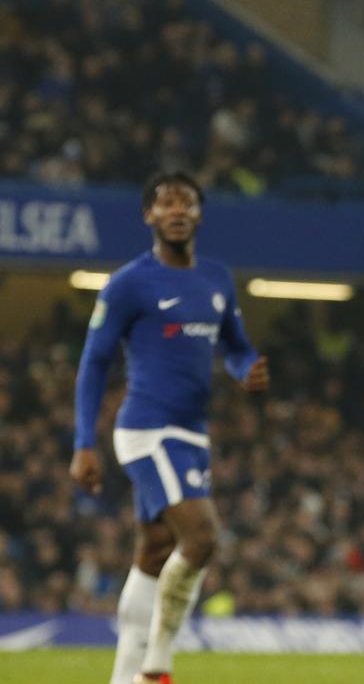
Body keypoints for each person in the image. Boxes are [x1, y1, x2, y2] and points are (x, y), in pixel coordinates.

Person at [70, 172, 270, 684]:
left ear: (199, 215)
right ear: (149, 216)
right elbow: (94, 362)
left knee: (156, 551)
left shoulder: (217, 278)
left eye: (187, 203)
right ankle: (156, 665)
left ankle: (123, 675)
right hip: (146, 429)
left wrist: (244, 368)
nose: (177, 210)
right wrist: (83, 444)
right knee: (202, 538)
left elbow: (236, 345)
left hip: (192, 434)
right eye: (166, 203)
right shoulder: (129, 283)